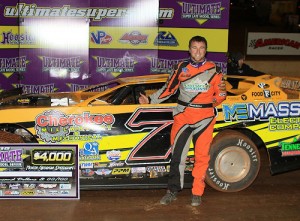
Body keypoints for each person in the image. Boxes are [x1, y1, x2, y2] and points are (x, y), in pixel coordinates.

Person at [139, 36, 226, 206]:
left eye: (201, 48)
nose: (198, 51)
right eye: (194, 48)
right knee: (177, 156)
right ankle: (172, 191)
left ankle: (197, 192)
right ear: (189, 49)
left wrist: (209, 104)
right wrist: (150, 100)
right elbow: (169, 89)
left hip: (205, 119)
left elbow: (222, 94)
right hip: (183, 117)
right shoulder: (181, 67)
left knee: (201, 157)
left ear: (206, 50)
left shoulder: (215, 70)